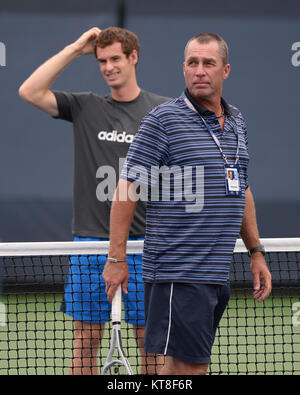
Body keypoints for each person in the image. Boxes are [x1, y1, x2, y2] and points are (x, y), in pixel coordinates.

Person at [103, 32, 272, 375]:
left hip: (214, 274)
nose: (199, 70)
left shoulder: (237, 121)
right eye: (192, 63)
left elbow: (241, 189)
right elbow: (126, 187)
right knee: (190, 370)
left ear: (225, 70)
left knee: (178, 370)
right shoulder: (162, 121)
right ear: (183, 69)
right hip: (177, 274)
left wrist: (256, 251)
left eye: (208, 63)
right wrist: (116, 258)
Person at [19, 26, 169, 375]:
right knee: (85, 341)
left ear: (134, 57)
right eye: (102, 60)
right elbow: (29, 90)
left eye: (116, 58)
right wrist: (74, 49)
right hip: (90, 244)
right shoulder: (85, 106)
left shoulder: (162, 111)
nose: (108, 66)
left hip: (147, 245)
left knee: (150, 342)